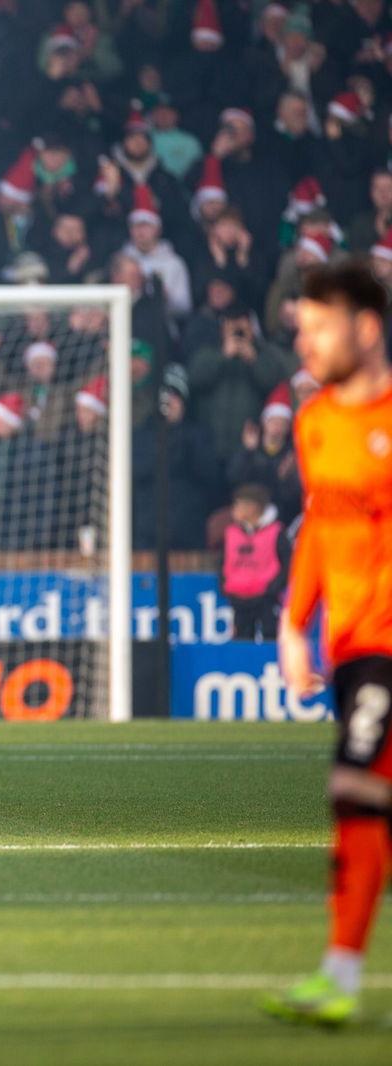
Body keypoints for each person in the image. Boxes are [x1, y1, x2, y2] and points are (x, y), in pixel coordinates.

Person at [267, 259, 392, 1028]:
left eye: (319, 327)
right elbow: (318, 525)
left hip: (387, 641)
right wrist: (292, 622)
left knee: (355, 789)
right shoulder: (315, 421)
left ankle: (340, 976)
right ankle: (339, 975)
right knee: (364, 804)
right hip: (349, 644)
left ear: (367, 328)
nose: (306, 343)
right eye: (301, 328)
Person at [219, 484, 289, 642]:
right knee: (241, 638)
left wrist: (272, 588)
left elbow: (287, 565)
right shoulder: (231, 533)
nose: (235, 509)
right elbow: (223, 562)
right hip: (239, 597)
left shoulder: (276, 532)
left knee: (271, 635)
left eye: (240, 504)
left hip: (266, 598)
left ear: (254, 507)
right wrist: (226, 585)